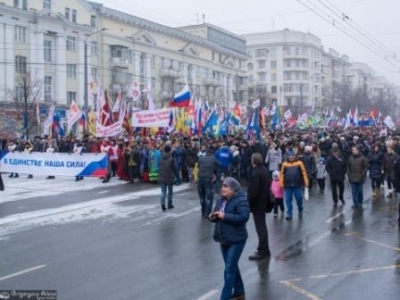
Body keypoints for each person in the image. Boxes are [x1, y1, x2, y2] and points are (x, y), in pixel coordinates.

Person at [210, 177, 250, 300]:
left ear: (233, 189)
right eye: (222, 186)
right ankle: (239, 291)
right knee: (232, 266)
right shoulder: (221, 200)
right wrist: (213, 217)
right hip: (223, 238)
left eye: (226, 186)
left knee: (229, 269)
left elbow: (243, 217)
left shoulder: (241, 200)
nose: (223, 189)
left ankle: (224, 297)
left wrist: (224, 216)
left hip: (236, 239)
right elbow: (217, 213)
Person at [247, 153, 271, 260]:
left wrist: (248, 202)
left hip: (258, 204)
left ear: (253, 161)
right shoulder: (264, 170)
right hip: (263, 201)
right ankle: (264, 249)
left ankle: (263, 251)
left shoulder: (255, 173)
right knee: (262, 227)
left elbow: (253, 192)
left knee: (260, 228)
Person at [280, 150, 309, 220]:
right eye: (290, 156)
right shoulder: (284, 164)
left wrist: (306, 182)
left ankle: (300, 209)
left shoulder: (299, 163)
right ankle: (289, 213)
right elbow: (282, 174)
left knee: (299, 198)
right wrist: (281, 183)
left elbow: (304, 173)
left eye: (292, 155)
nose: (291, 157)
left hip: (297, 184)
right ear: (288, 156)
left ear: (295, 156)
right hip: (288, 185)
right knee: (288, 200)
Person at [197, 148, 218, 218]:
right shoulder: (214, 159)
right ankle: (207, 213)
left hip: (200, 179)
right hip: (208, 179)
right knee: (209, 197)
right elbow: (217, 167)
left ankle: (203, 212)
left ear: (205, 153)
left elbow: (198, 166)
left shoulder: (200, 158)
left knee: (202, 197)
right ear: (212, 154)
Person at [158, 145, 176, 211]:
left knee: (163, 191)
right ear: (169, 150)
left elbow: (159, 165)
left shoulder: (160, 157)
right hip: (169, 176)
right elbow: (175, 167)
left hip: (162, 176)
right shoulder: (171, 158)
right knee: (170, 191)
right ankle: (169, 204)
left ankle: (162, 203)